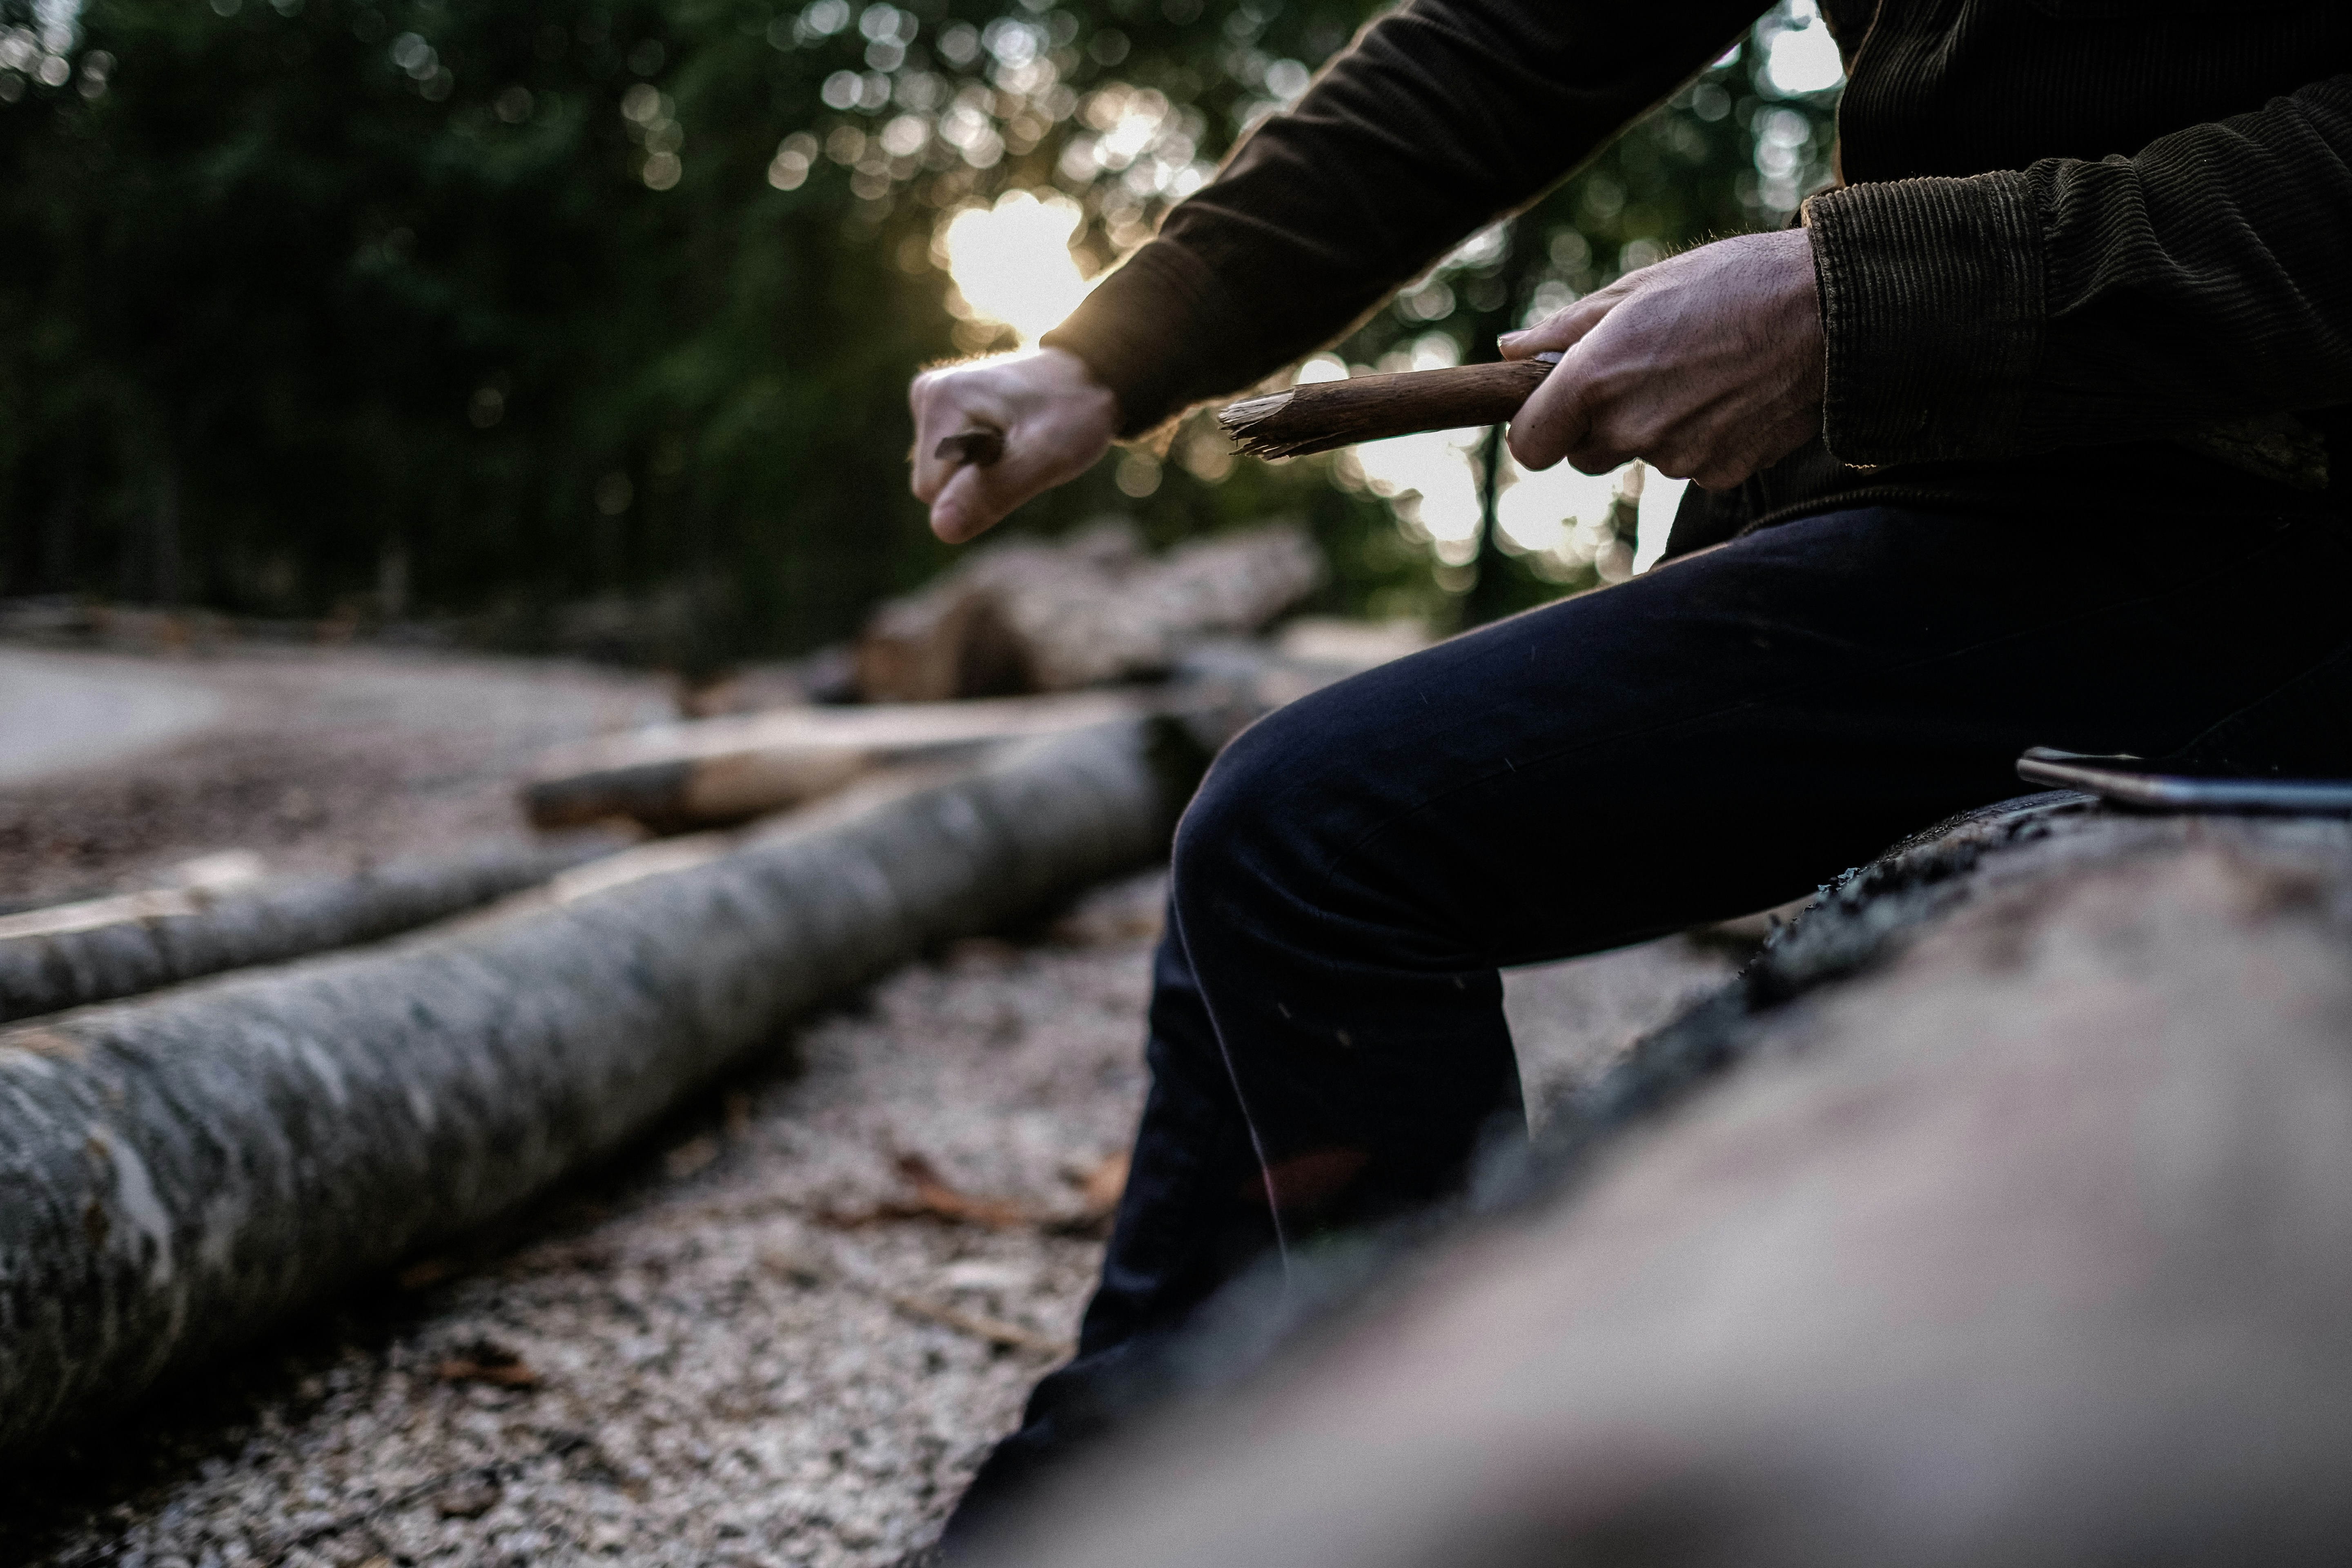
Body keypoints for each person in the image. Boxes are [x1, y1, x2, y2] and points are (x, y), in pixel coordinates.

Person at [906, 0, 2352, 1551]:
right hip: (1985, 488)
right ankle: (1118, 1476)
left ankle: (1392, 1501)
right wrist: (1104, 357)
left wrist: (1856, 300)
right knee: (1268, 847)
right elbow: (1509, 44)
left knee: (1314, 834)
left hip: (2268, 525)